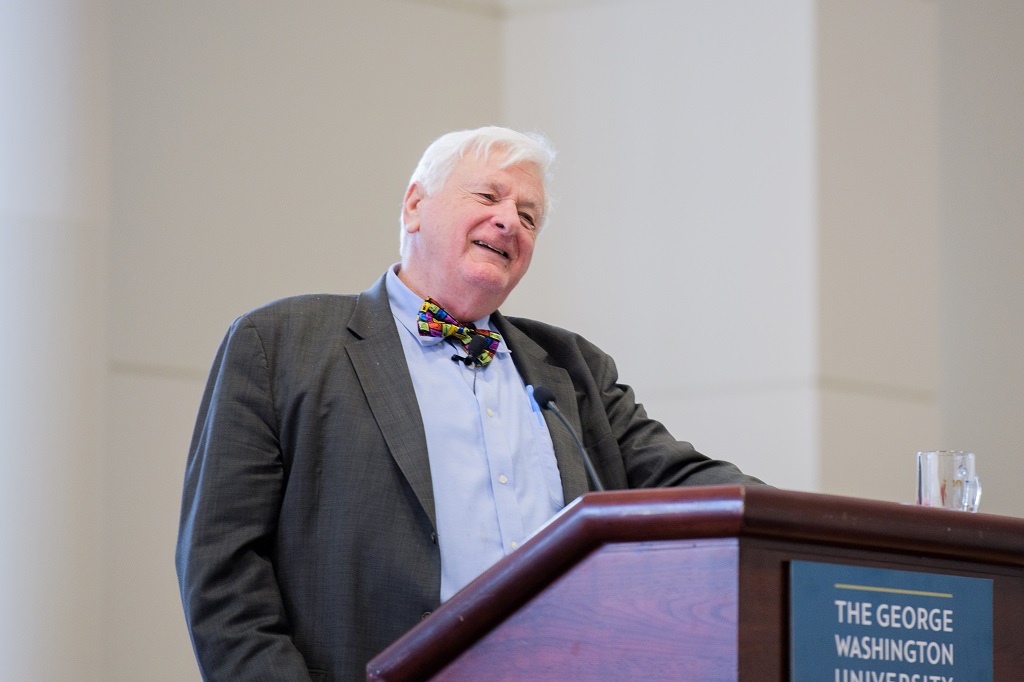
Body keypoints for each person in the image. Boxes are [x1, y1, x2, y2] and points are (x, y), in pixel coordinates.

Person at [175, 126, 763, 681]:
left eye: (529, 216)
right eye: (488, 196)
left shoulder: (573, 368)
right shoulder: (283, 344)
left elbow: (680, 478)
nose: (509, 221)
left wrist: (796, 522)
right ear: (414, 206)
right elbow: (223, 572)